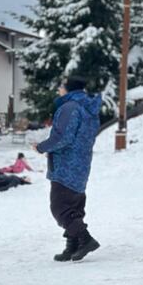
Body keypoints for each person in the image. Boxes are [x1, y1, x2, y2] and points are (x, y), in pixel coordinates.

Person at [33, 75, 102, 260]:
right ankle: (72, 245)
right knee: (74, 206)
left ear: (69, 89)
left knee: (60, 207)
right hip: (80, 163)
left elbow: (62, 137)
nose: (58, 90)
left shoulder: (69, 108)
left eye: (61, 86)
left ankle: (85, 239)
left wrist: (41, 147)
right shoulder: (87, 109)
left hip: (66, 165)